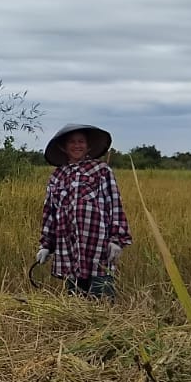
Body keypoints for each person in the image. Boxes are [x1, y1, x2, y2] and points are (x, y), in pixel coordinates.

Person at [35, 122, 132, 298]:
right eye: (72, 142)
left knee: (101, 301)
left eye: (81, 141)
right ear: (64, 147)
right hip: (68, 247)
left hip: (98, 246)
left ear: (88, 146)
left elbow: (115, 204)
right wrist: (46, 245)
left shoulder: (101, 171)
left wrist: (117, 239)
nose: (77, 145)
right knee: (75, 303)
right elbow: (50, 212)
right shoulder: (57, 176)